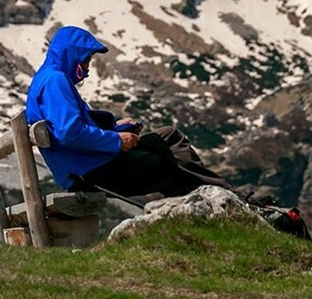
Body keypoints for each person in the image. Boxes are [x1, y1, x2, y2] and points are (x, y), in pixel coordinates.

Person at [26, 25, 231, 199]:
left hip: (91, 162)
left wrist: (117, 129)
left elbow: (72, 130)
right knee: (167, 159)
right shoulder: (56, 81)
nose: (87, 68)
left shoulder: (48, 77)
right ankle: (224, 202)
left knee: (169, 135)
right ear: (72, 56)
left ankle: (219, 197)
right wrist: (117, 140)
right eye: (86, 60)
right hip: (92, 173)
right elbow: (69, 132)